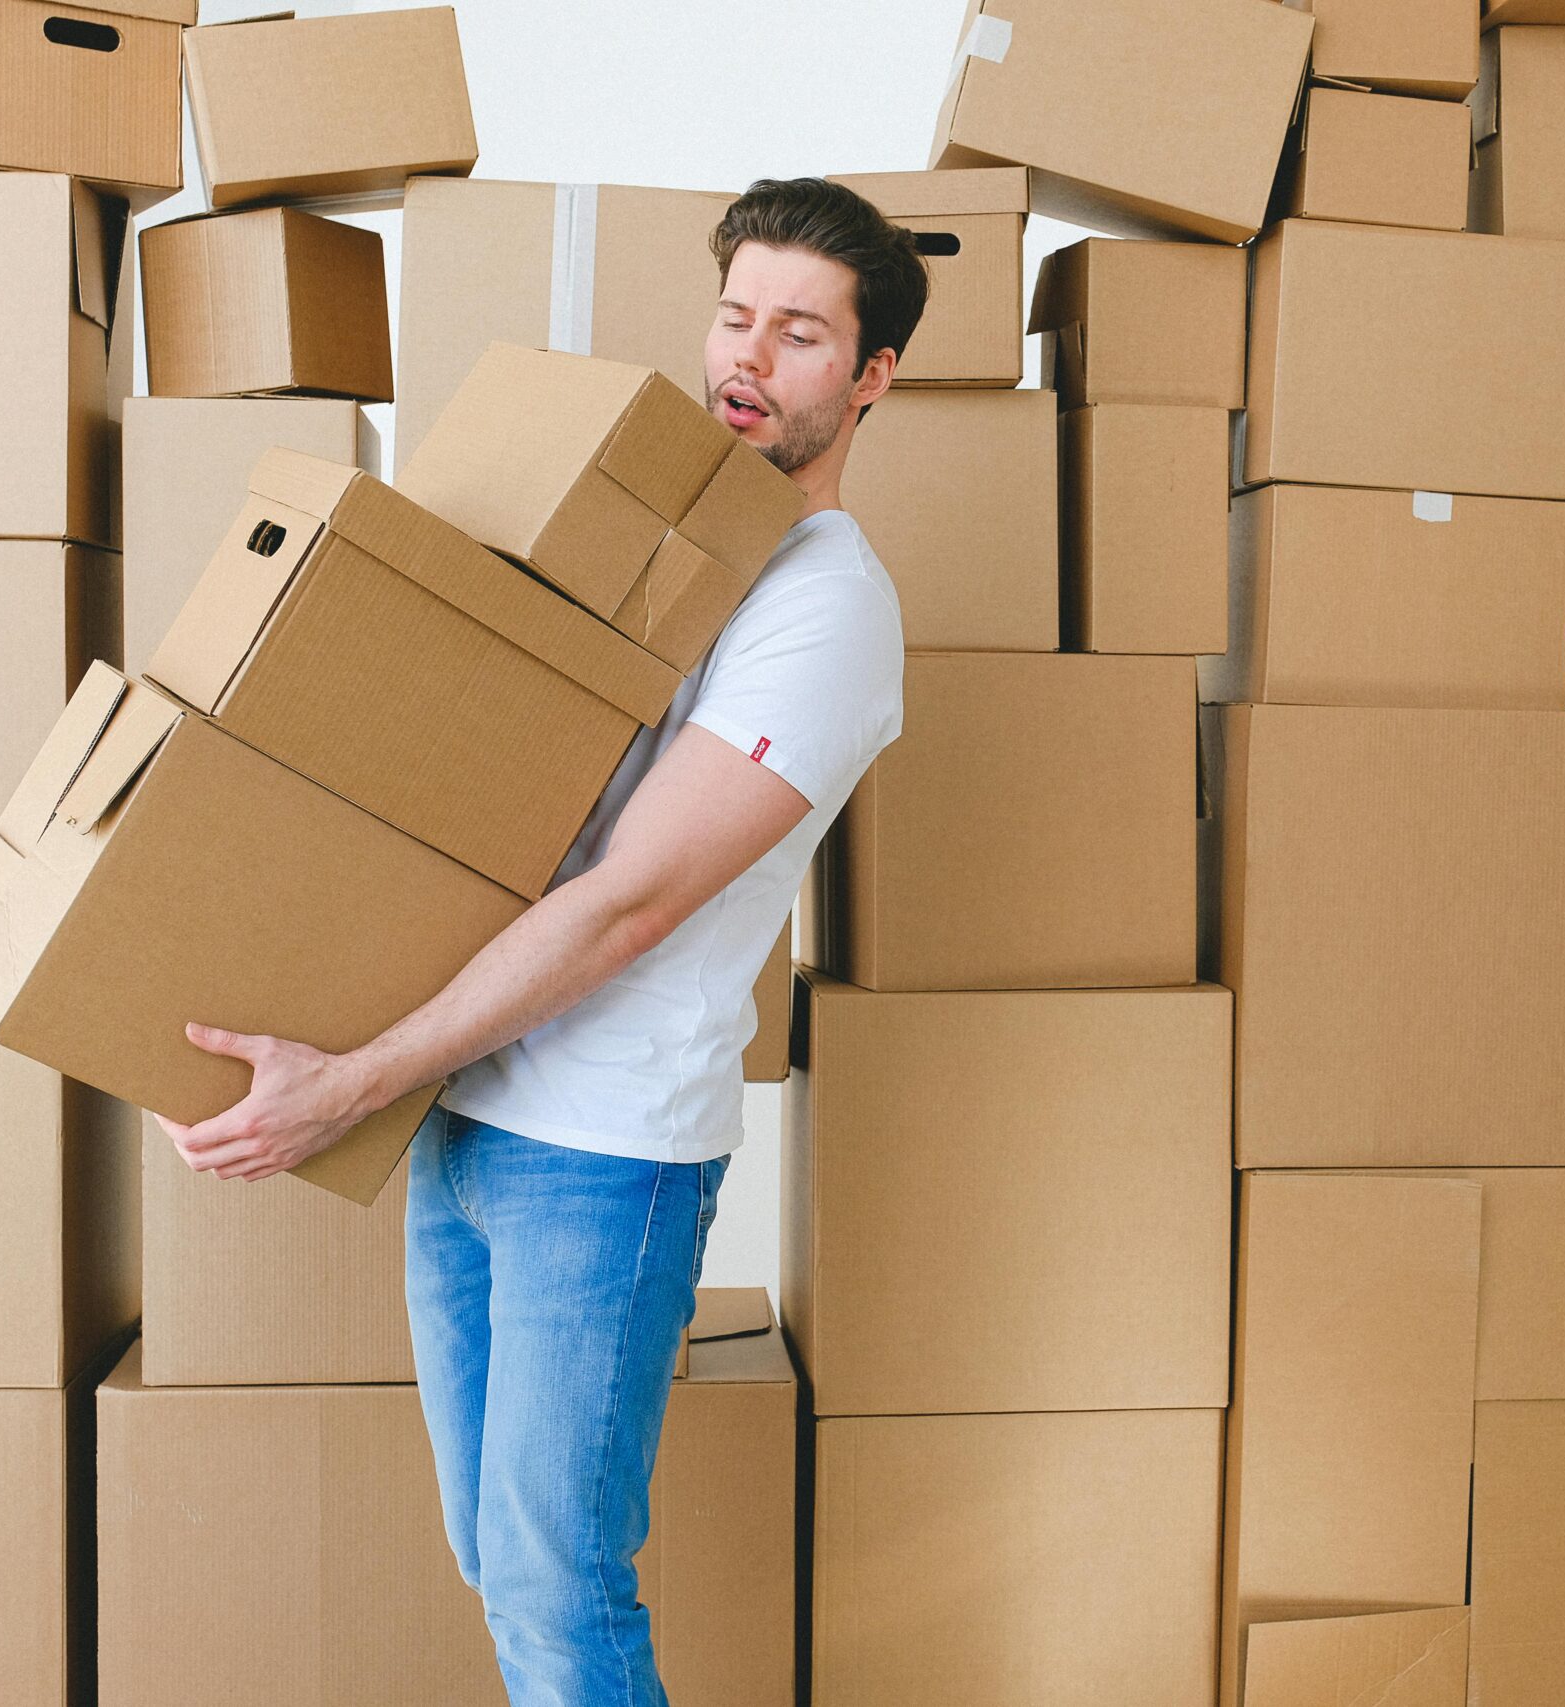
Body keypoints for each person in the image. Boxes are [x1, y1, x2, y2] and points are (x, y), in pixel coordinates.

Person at [151, 177, 925, 1707]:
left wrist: (354, 1075)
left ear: (871, 377)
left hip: (604, 1150)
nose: (748, 358)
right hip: (468, 1112)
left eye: (802, 333)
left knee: (559, 1578)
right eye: (734, 315)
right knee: (493, 1552)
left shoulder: (827, 608)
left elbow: (632, 896)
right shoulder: (654, 547)